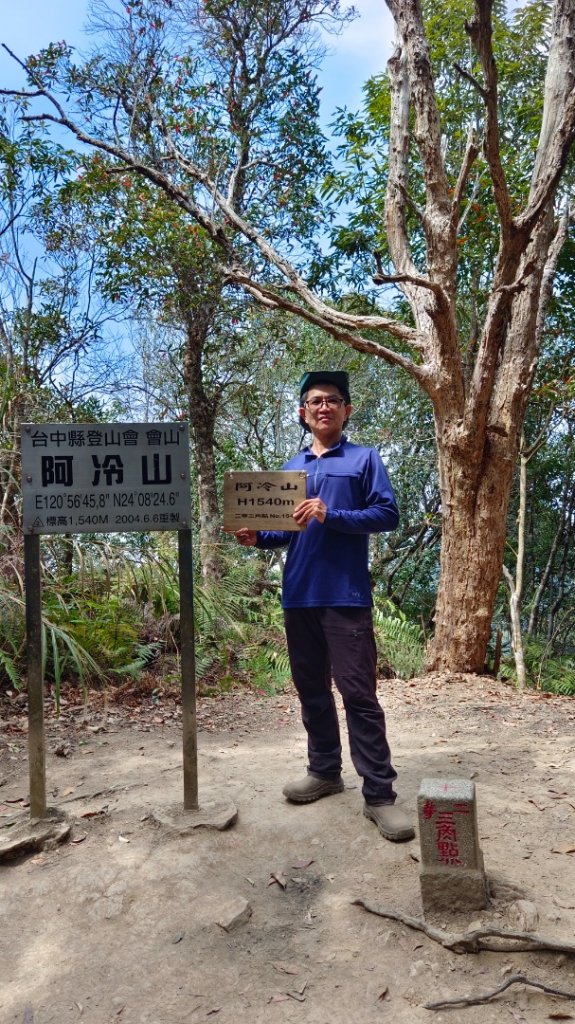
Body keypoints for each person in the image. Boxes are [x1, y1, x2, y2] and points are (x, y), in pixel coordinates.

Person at [235, 371, 414, 842]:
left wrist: (330, 514)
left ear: (346, 410)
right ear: (302, 412)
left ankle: (379, 796)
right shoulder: (290, 468)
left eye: (333, 401)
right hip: (298, 594)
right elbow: (282, 531)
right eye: (314, 401)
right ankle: (325, 772)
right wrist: (258, 538)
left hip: (345, 595)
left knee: (358, 694)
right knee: (311, 690)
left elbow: (387, 514)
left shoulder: (363, 459)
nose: (323, 407)